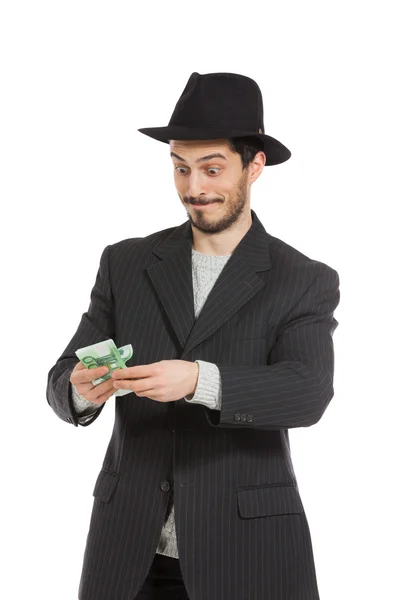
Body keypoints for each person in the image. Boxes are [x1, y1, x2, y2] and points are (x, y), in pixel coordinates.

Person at [46, 71, 340, 600]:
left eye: (211, 169)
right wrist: (77, 388)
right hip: (128, 548)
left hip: (248, 550)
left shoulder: (304, 278)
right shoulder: (126, 262)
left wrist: (199, 381)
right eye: (181, 169)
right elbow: (61, 378)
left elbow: (308, 391)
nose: (193, 188)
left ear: (255, 166)